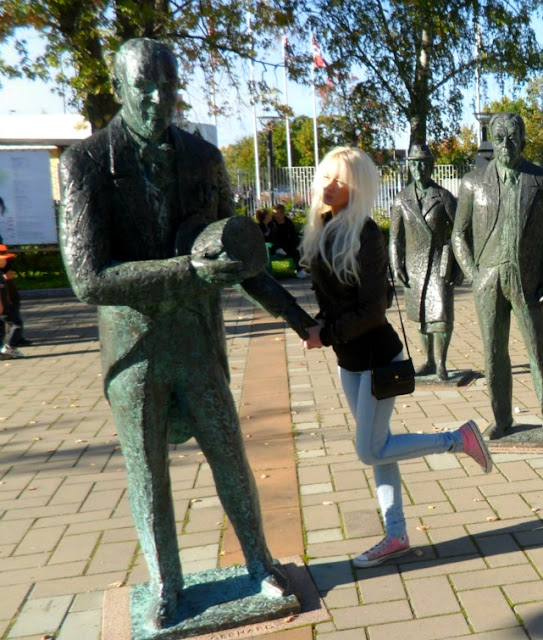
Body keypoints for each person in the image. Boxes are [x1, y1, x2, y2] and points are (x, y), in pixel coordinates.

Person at [59, 38, 315, 629]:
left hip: (198, 343)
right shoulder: (86, 164)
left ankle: (260, 561)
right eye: (143, 87)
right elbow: (88, 279)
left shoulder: (204, 158)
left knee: (230, 455)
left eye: (167, 87)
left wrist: (300, 319)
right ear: (117, 88)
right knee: (148, 472)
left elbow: (237, 256)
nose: (157, 99)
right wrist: (187, 272)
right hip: (135, 351)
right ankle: (165, 584)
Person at [300, 146, 492, 568]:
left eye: (340, 180)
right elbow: (336, 300)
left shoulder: (365, 233)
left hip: (376, 358)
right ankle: (396, 535)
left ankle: (458, 439)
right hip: (349, 361)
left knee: (370, 451)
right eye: (326, 177)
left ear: (357, 187)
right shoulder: (323, 228)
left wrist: (325, 334)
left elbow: (373, 310)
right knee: (381, 447)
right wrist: (320, 325)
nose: (329, 186)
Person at [452, 112, 543, 442]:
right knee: (493, 354)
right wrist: (474, 275)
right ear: (492, 141)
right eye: (499, 138)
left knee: (539, 353)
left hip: (529, 281)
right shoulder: (473, 182)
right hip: (488, 280)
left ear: (523, 140)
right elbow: (459, 235)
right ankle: (501, 419)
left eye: (512, 138)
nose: (506, 145)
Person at [390, 144, 459, 380]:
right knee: (420, 315)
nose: (418, 168)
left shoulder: (444, 197)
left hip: (439, 264)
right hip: (414, 267)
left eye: (423, 163)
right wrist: (396, 265)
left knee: (442, 315)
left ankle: (441, 363)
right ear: (409, 166)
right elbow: (394, 238)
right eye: (414, 163)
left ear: (431, 166)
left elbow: (460, 231)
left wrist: (455, 261)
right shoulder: (402, 199)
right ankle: (428, 361)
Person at [270, 203, 308, 278]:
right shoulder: (272, 223)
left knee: (298, 248)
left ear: (282, 214)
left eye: (276, 213)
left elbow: (294, 234)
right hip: (275, 245)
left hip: (287, 244)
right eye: (274, 213)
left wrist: (296, 243)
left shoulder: (288, 222)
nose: (275, 215)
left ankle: (300, 270)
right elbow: (270, 237)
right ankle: (278, 249)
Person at [0, 244, 25, 359]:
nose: (5, 261)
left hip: (8, 302)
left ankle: (3, 349)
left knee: (2, 327)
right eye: (3, 260)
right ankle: (10, 346)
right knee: (16, 324)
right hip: (5, 305)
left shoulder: (4, 272)